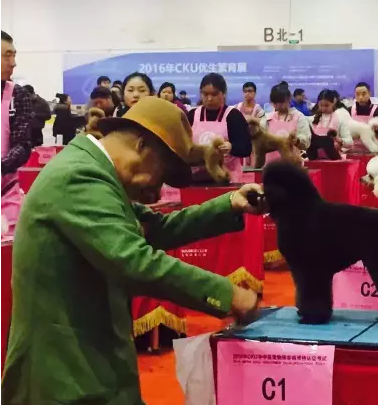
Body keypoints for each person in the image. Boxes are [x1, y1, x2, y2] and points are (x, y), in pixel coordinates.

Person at [2, 96, 263, 403]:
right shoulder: (79, 176)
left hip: (88, 363)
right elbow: (135, 261)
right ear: (142, 146)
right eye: (162, 174)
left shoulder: (96, 173)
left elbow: (157, 228)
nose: (157, 190)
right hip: (63, 375)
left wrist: (230, 203)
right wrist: (230, 295)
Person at [186, 73, 252, 183]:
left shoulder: (233, 116)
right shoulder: (192, 115)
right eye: (205, 94)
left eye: (214, 94)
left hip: (227, 180)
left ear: (224, 93)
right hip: (196, 179)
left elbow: (246, 149)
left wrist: (231, 147)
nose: (209, 99)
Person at [1, 31, 33, 237]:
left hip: (6, 194)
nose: (13, 63)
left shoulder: (17, 95)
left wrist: (2, 166)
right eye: (7, 56)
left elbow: (23, 144)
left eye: (14, 55)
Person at [260, 84, 312, 164]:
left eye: (281, 102)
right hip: (270, 165)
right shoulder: (267, 119)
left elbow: (306, 140)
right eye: (275, 102)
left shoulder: (299, 117)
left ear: (289, 99)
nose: (278, 105)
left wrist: (298, 140)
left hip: (293, 165)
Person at [308, 89, 353, 159]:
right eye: (321, 105)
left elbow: (350, 143)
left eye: (326, 105)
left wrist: (339, 140)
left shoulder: (340, 119)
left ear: (333, 102)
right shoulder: (312, 120)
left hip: (333, 160)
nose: (323, 108)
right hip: (315, 159)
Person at [350, 81, 378, 152]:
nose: (360, 97)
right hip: (353, 150)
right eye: (358, 94)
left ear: (369, 94)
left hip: (373, 151)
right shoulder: (349, 110)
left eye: (363, 94)